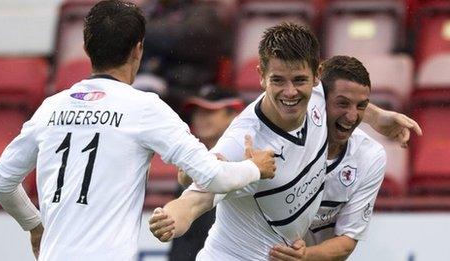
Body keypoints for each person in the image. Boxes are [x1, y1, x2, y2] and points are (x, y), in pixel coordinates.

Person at [0, 1, 277, 260]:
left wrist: (34, 225)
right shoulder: (144, 108)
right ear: (139, 48)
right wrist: (255, 167)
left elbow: (2, 181)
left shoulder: (51, 108)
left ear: (87, 49)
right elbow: (213, 176)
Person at [148, 23, 422, 260]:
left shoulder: (318, 96)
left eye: (299, 80)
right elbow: (199, 196)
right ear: (261, 75)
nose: (290, 92)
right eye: (277, 80)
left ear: (316, 77)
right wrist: (173, 217)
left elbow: (341, 97)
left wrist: (376, 117)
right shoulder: (245, 139)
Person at [268, 56, 394, 261]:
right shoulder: (282, 139)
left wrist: (304, 256)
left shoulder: (370, 157)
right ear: (319, 100)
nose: (352, 117)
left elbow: (346, 240)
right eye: (342, 104)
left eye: (361, 106)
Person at [169, 85, 245, 261]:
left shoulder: (248, 164)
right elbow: (183, 237)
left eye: (210, 112)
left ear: (233, 116)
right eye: (197, 112)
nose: (200, 118)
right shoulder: (187, 163)